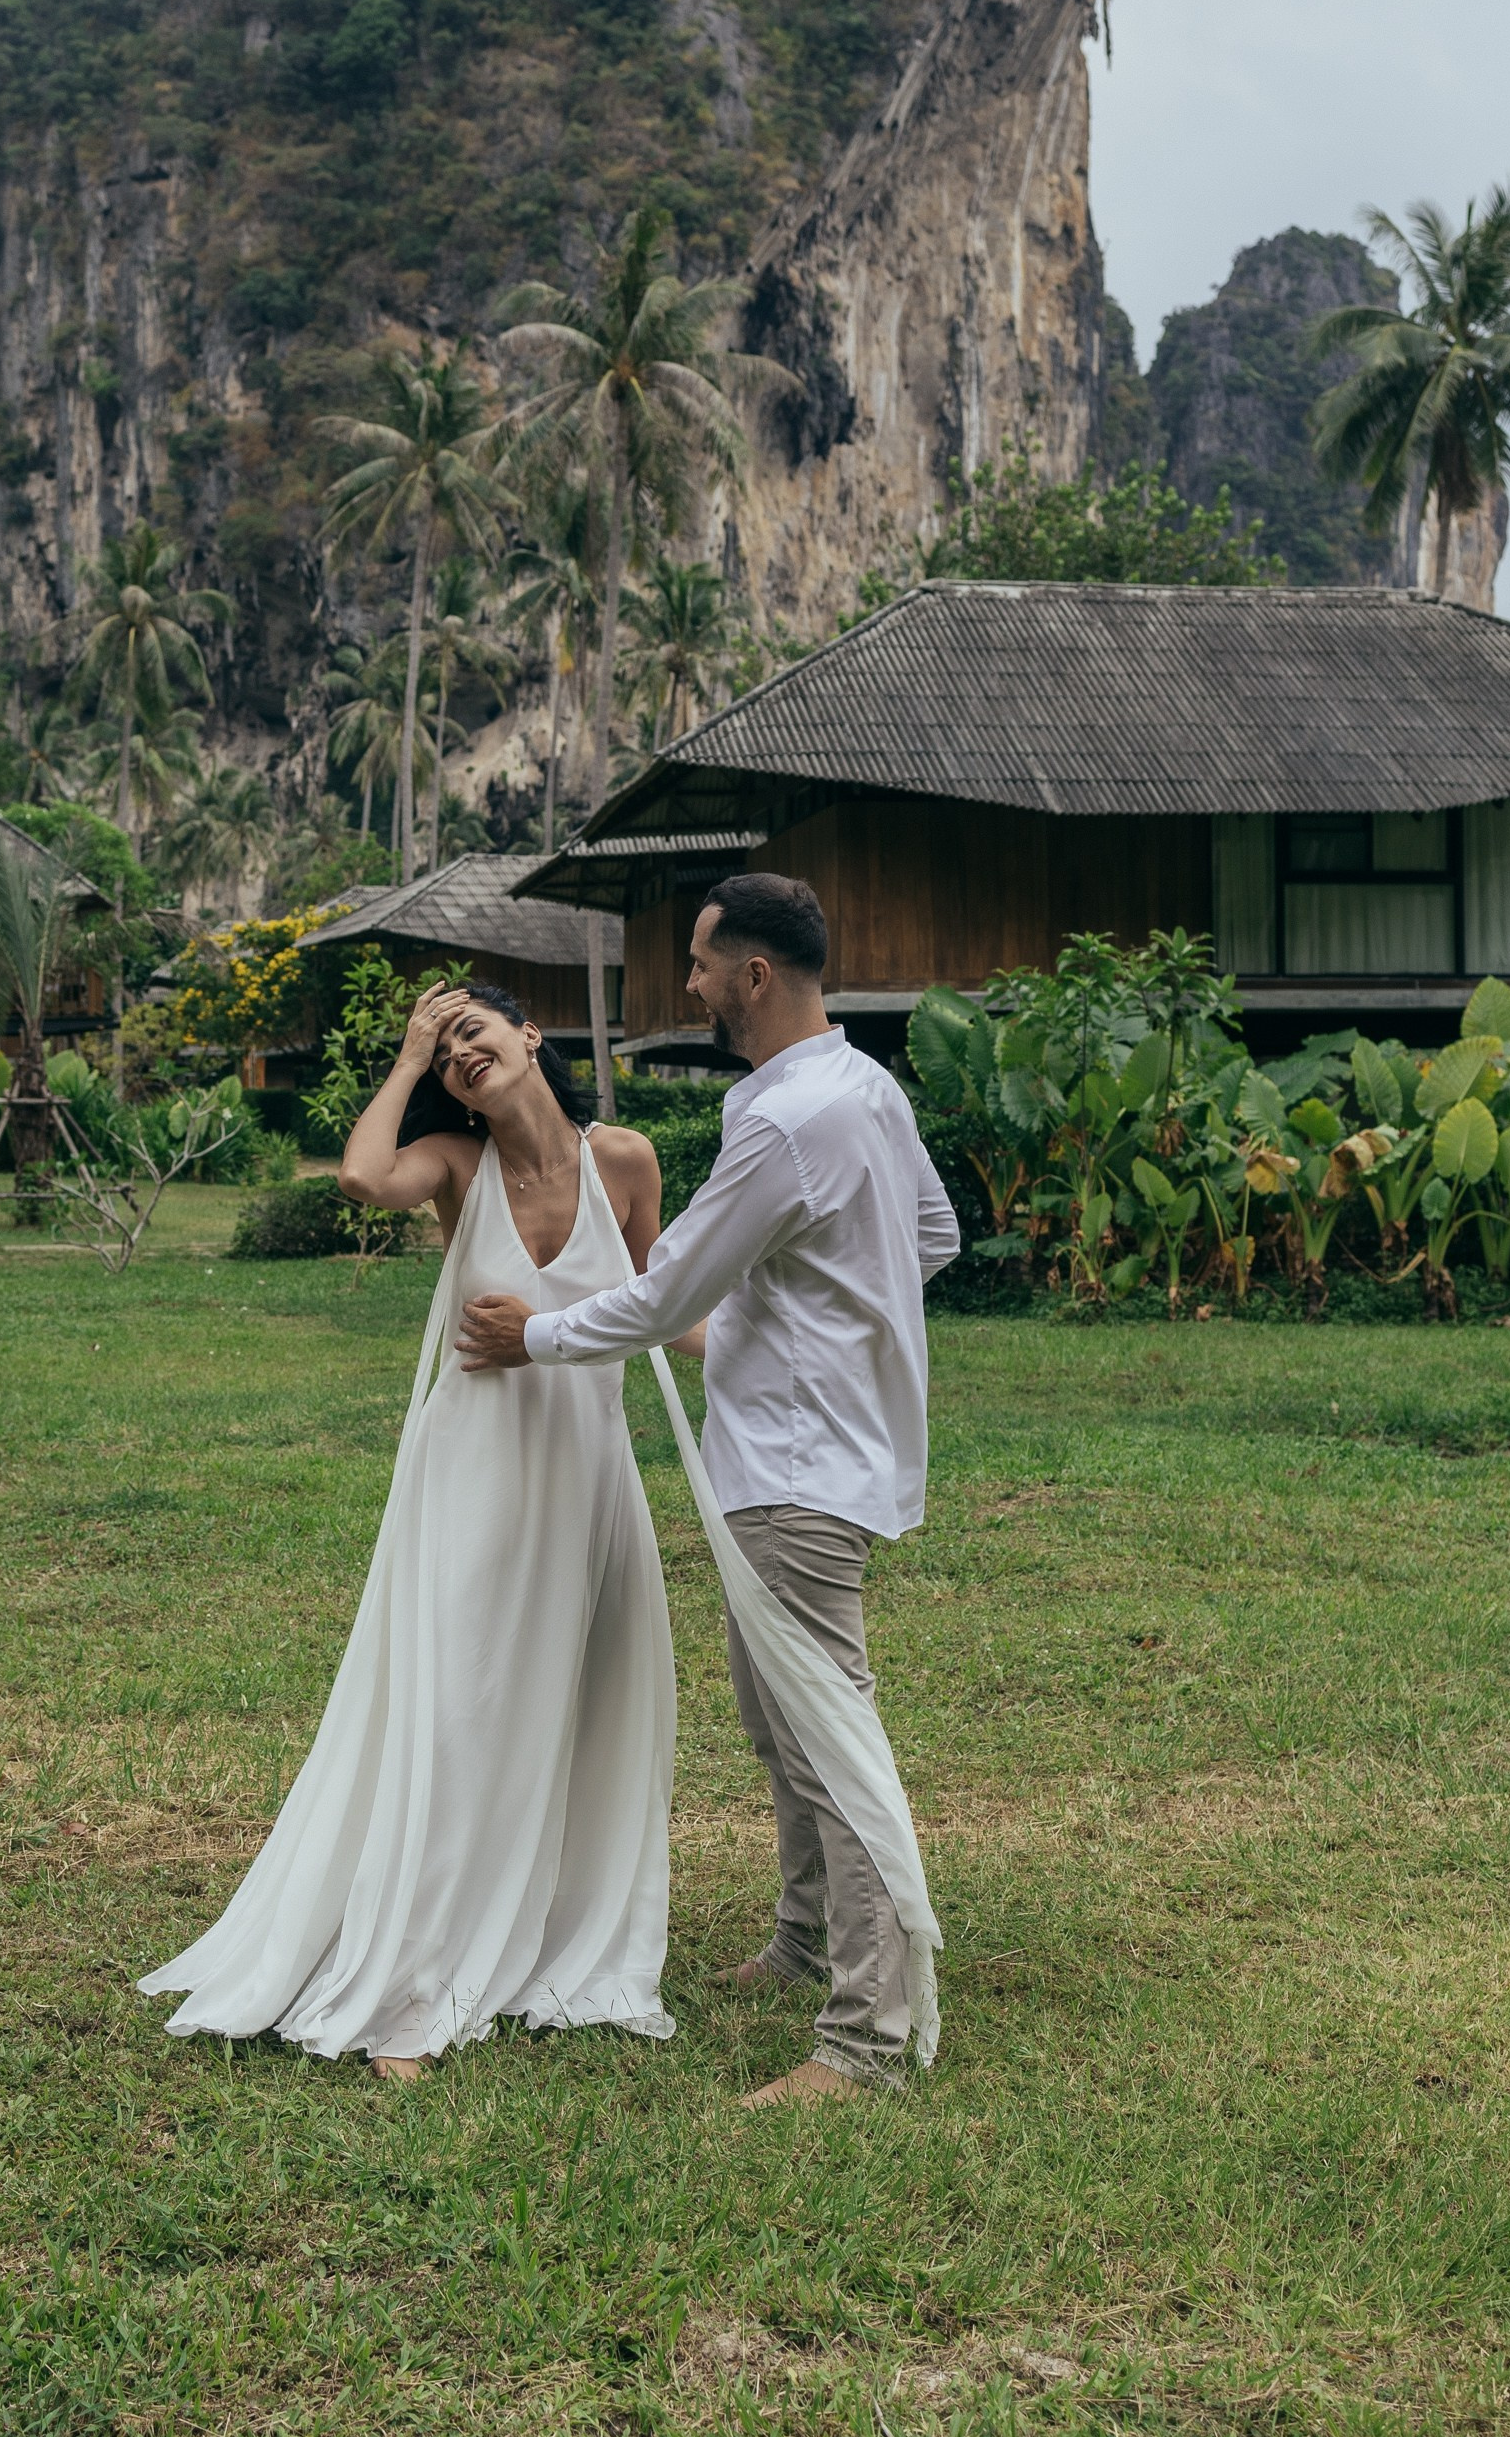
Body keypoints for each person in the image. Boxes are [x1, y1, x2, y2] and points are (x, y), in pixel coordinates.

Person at [458, 873, 959, 2107]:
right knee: (780, 1721)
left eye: (696, 964)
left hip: (795, 1467)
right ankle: (801, 1944)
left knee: (830, 1742)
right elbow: (930, 1237)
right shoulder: (864, 1087)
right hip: (812, 1450)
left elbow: (665, 1292)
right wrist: (812, 1319)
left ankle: (862, 2041)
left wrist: (536, 1337)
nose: (683, 984)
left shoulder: (786, 1121)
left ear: (751, 976)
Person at [138, 982, 683, 2080]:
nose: (458, 1058)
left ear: (530, 1035)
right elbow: (359, 1177)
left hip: (585, 1470)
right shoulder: (453, 1163)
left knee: (583, 1701)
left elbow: (656, 1306)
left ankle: (556, 1933)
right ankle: (415, 1984)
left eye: (471, 1032)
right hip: (474, 1472)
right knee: (461, 1707)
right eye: (442, 1057)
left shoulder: (623, 1158)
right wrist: (406, 1058)